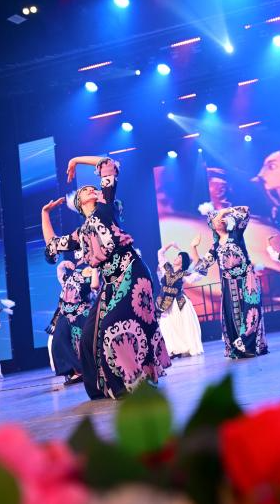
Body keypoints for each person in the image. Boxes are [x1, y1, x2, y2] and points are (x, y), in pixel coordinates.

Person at [42, 155, 171, 399]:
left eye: (93, 187)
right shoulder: (80, 233)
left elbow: (107, 164)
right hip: (111, 284)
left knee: (114, 326)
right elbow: (52, 246)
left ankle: (137, 381)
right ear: (79, 203)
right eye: (85, 190)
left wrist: (76, 160)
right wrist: (45, 214)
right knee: (88, 338)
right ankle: (100, 389)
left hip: (131, 272)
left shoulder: (105, 208)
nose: (91, 189)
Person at [190, 206, 268, 359]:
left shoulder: (236, 233)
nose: (220, 219)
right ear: (212, 225)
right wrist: (193, 247)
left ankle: (248, 344)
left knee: (251, 311)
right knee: (233, 315)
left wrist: (225, 211)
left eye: (221, 218)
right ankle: (240, 347)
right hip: (229, 283)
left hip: (247, 279)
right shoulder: (215, 246)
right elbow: (202, 266)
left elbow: (246, 212)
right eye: (216, 219)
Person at [47, 257, 99, 384]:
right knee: (58, 342)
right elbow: (61, 274)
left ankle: (82, 371)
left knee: (82, 343)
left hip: (81, 313)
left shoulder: (95, 271)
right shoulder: (74, 272)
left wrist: (94, 268)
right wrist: (63, 263)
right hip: (65, 313)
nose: (80, 256)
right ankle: (76, 371)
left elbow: (95, 287)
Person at [156, 243, 205, 357]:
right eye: (177, 256)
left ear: (183, 262)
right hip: (165, 303)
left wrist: (195, 255)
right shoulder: (166, 268)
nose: (176, 258)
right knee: (166, 326)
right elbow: (160, 253)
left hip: (179, 303)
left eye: (179, 257)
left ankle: (184, 348)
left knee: (182, 326)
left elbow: (198, 275)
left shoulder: (184, 274)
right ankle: (172, 349)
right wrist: (171, 244)